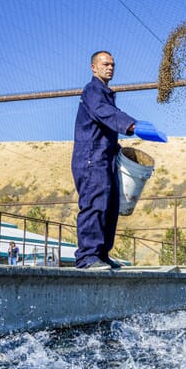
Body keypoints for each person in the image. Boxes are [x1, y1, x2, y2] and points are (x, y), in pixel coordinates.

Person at [71, 50, 136, 271]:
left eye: (112, 65)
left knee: (109, 206)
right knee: (95, 203)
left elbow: (106, 125)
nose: (110, 68)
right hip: (91, 158)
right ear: (93, 67)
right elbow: (104, 113)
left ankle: (101, 254)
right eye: (105, 64)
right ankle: (87, 256)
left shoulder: (106, 94)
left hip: (104, 159)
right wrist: (131, 125)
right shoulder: (93, 91)